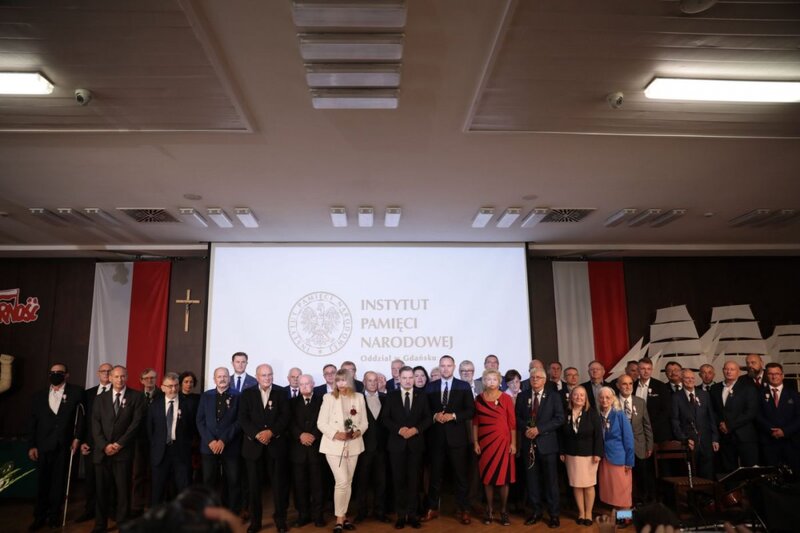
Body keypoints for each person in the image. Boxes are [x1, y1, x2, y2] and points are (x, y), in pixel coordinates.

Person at [27, 363, 85, 531]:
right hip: (43, 446)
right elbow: (32, 423)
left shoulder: (76, 392)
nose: (55, 375)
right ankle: (39, 516)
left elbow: (81, 417)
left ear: (67, 375)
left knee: (58, 483)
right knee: (42, 482)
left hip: (64, 446)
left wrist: (77, 438)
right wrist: (32, 445)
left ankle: (54, 515)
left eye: (59, 372)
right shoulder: (38, 396)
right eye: (52, 372)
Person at [91, 365, 146, 533]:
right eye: (116, 376)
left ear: (127, 377)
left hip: (123, 453)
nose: (119, 379)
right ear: (110, 378)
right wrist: (104, 445)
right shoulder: (100, 398)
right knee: (101, 491)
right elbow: (95, 424)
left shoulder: (136, 397)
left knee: (123, 491)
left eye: (122, 376)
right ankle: (100, 525)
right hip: (102, 453)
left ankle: (123, 523)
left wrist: (119, 444)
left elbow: (135, 425)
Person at [238, 363, 291, 533]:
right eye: (264, 375)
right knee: (254, 487)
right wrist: (258, 434)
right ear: (257, 376)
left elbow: (285, 417)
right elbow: (243, 418)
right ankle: (256, 522)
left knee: (279, 486)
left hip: (275, 447)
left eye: (270, 375)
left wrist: (271, 432)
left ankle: (280, 520)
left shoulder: (281, 392)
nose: (267, 378)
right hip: (253, 448)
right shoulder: (247, 393)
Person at [423, 355, 475, 525]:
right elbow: (424, 411)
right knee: (435, 476)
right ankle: (432, 508)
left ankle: (463, 509)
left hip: (457, 439)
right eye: (442, 366)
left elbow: (470, 411)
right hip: (436, 439)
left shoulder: (463, 386)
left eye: (448, 366)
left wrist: (453, 416)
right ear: (439, 367)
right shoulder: (430, 387)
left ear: (454, 367)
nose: (445, 369)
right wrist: (434, 415)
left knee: (460, 476)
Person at [317, 368, 368, 532]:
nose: (341, 383)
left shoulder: (359, 397)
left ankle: (344, 517)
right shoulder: (328, 397)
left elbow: (364, 422)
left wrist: (358, 431)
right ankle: (339, 518)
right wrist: (336, 434)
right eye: (338, 380)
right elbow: (321, 423)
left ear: (350, 381)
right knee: (342, 482)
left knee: (348, 482)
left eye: (344, 380)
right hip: (334, 446)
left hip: (353, 446)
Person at [382, 366, 431, 529]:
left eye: (411, 378)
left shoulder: (422, 396)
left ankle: (413, 515)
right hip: (397, 446)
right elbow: (385, 418)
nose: (408, 380)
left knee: (414, 482)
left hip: (416, 445)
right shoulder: (391, 396)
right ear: (399, 379)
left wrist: (416, 430)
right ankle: (401, 516)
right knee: (398, 481)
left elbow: (427, 418)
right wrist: (399, 430)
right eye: (405, 378)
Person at [516, 367, 564, 528]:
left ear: (544, 380)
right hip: (528, 444)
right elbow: (517, 418)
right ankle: (536, 512)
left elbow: (559, 418)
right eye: (532, 377)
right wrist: (527, 429)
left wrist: (539, 430)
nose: (535, 379)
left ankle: (554, 515)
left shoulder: (554, 396)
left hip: (547, 445)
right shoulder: (522, 396)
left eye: (538, 377)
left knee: (551, 482)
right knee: (532, 481)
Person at [473, 369, 516, 526]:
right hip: (485, 443)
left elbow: (512, 423)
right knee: (487, 478)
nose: (491, 382)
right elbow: (475, 423)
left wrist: (513, 443)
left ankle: (503, 511)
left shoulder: (506, 398)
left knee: (504, 478)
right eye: (488, 379)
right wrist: (476, 442)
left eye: (494, 379)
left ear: (499, 381)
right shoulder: (478, 399)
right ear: (484, 381)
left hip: (504, 443)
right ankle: (489, 510)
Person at [196, 367, 241, 515]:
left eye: (225, 376)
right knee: (209, 481)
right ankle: (210, 512)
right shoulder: (206, 396)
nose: (222, 379)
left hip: (230, 446)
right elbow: (200, 421)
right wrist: (210, 441)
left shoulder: (238, 396)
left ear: (230, 378)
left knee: (233, 481)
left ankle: (232, 512)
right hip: (209, 447)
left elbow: (239, 421)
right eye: (219, 376)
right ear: (214, 379)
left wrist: (223, 440)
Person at [146, 372, 195, 505]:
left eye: (176, 385)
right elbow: (150, 430)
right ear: (162, 387)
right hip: (160, 453)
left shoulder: (189, 404)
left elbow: (192, 429)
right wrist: (156, 446)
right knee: (158, 489)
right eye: (169, 386)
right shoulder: (154, 405)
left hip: (181, 452)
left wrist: (186, 445)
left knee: (183, 488)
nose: (173, 389)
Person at [559, 386, 603, 527]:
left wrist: (597, 453)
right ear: (571, 397)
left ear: (586, 398)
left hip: (589, 455)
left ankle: (589, 513)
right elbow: (561, 436)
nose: (579, 397)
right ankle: (581, 513)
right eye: (576, 395)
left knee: (589, 485)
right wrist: (562, 451)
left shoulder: (592, 413)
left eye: (582, 395)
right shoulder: (566, 413)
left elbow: (598, 436)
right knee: (576, 485)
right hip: (571, 455)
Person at [78, 363, 113, 524]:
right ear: (98, 374)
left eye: (109, 371)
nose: (106, 373)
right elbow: (84, 421)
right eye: (103, 371)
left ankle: (110, 511)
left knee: (111, 480)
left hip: (112, 446)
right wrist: (83, 441)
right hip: (91, 445)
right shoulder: (88, 394)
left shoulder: (119, 392)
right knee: (91, 480)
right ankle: (90, 510)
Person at [710, 360, 759, 473]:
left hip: (745, 436)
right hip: (725, 436)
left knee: (750, 469)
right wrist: (720, 423)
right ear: (722, 371)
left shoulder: (748, 388)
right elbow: (713, 411)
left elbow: (750, 412)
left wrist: (729, 425)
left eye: (732, 369)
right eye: (726, 369)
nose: (729, 371)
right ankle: (732, 491)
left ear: (738, 372)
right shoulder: (715, 388)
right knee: (728, 469)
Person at [290, 374, 325, 528]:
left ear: (313, 384)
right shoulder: (290, 403)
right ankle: (303, 515)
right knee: (300, 485)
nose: (304, 386)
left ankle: (318, 516)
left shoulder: (323, 401)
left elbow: (325, 421)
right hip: (298, 451)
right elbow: (288, 422)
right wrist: (300, 435)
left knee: (318, 486)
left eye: (307, 383)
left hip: (317, 449)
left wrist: (314, 436)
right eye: (301, 384)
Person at [671, 369, 719, 480]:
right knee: (692, 474)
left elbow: (711, 417)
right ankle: (694, 497)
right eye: (687, 378)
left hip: (706, 441)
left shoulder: (704, 395)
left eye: (692, 378)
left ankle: (707, 497)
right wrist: (684, 438)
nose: (690, 380)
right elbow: (675, 421)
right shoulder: (676, 397)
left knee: (707, 473)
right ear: (682, 380)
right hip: (689, 441)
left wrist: (715, 438)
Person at [354, 371, 389, 524]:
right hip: (363, 448)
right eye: (370, 380)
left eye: (375, 380)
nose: (373, 383)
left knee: (381, 482)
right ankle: (361, 512)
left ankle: (380, 511)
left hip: (382, 448)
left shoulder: (386, 398)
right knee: (362, 482)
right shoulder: (357, 399)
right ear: (364, 382)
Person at [756, 363, 800, 472]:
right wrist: (772, 430)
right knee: (771, 477)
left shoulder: (794, 394)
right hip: (768, 441)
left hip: (790, 442)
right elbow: (757, 416)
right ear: (766, 375)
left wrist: (785, 431)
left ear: (782, 375)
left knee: (793, 477)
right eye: (770, 374)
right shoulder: (759, 394)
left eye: (777, 374)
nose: (774, 376)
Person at [617, 375, 654, 505]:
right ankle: (626, 511)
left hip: (639, 447)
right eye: (624, 384)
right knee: (623, 482)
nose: (628, 387)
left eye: (630, 384)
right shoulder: (612, 402)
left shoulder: (640, 402)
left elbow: (647, 425)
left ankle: (642, 508)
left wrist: (649, 446)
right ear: (618, 386)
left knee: (642, 479)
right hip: (620, 449)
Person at [597, 387, 634, 512]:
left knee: (623, 491)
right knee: (612, 490)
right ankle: (618, 517)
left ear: (613, 399)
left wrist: (629, 461)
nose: (604, 400)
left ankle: (625, 518)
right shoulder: (599, 416)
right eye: (601, 397)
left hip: (620, 458)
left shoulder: (619, 414)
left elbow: (628, 439)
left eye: (608, 397)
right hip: (605, 458)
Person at [132, 368, 160, 516]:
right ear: (141, 380)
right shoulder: (135, 396)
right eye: (147, 378)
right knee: (138, 474)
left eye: (153, 378)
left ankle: (150, 504)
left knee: (153, 474)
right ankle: (137, 505)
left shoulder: (162, 395)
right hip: (139, 441)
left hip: (157, 442)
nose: (150, 381)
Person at [634, 357, 673, 444]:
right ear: (638, 370)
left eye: (649, 369)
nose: (646, 371)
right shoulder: (632, 386)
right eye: (643, 368)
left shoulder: (661, 386)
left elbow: (666, 410)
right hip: (636, 432)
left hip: (657, 432)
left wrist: (651, 426)